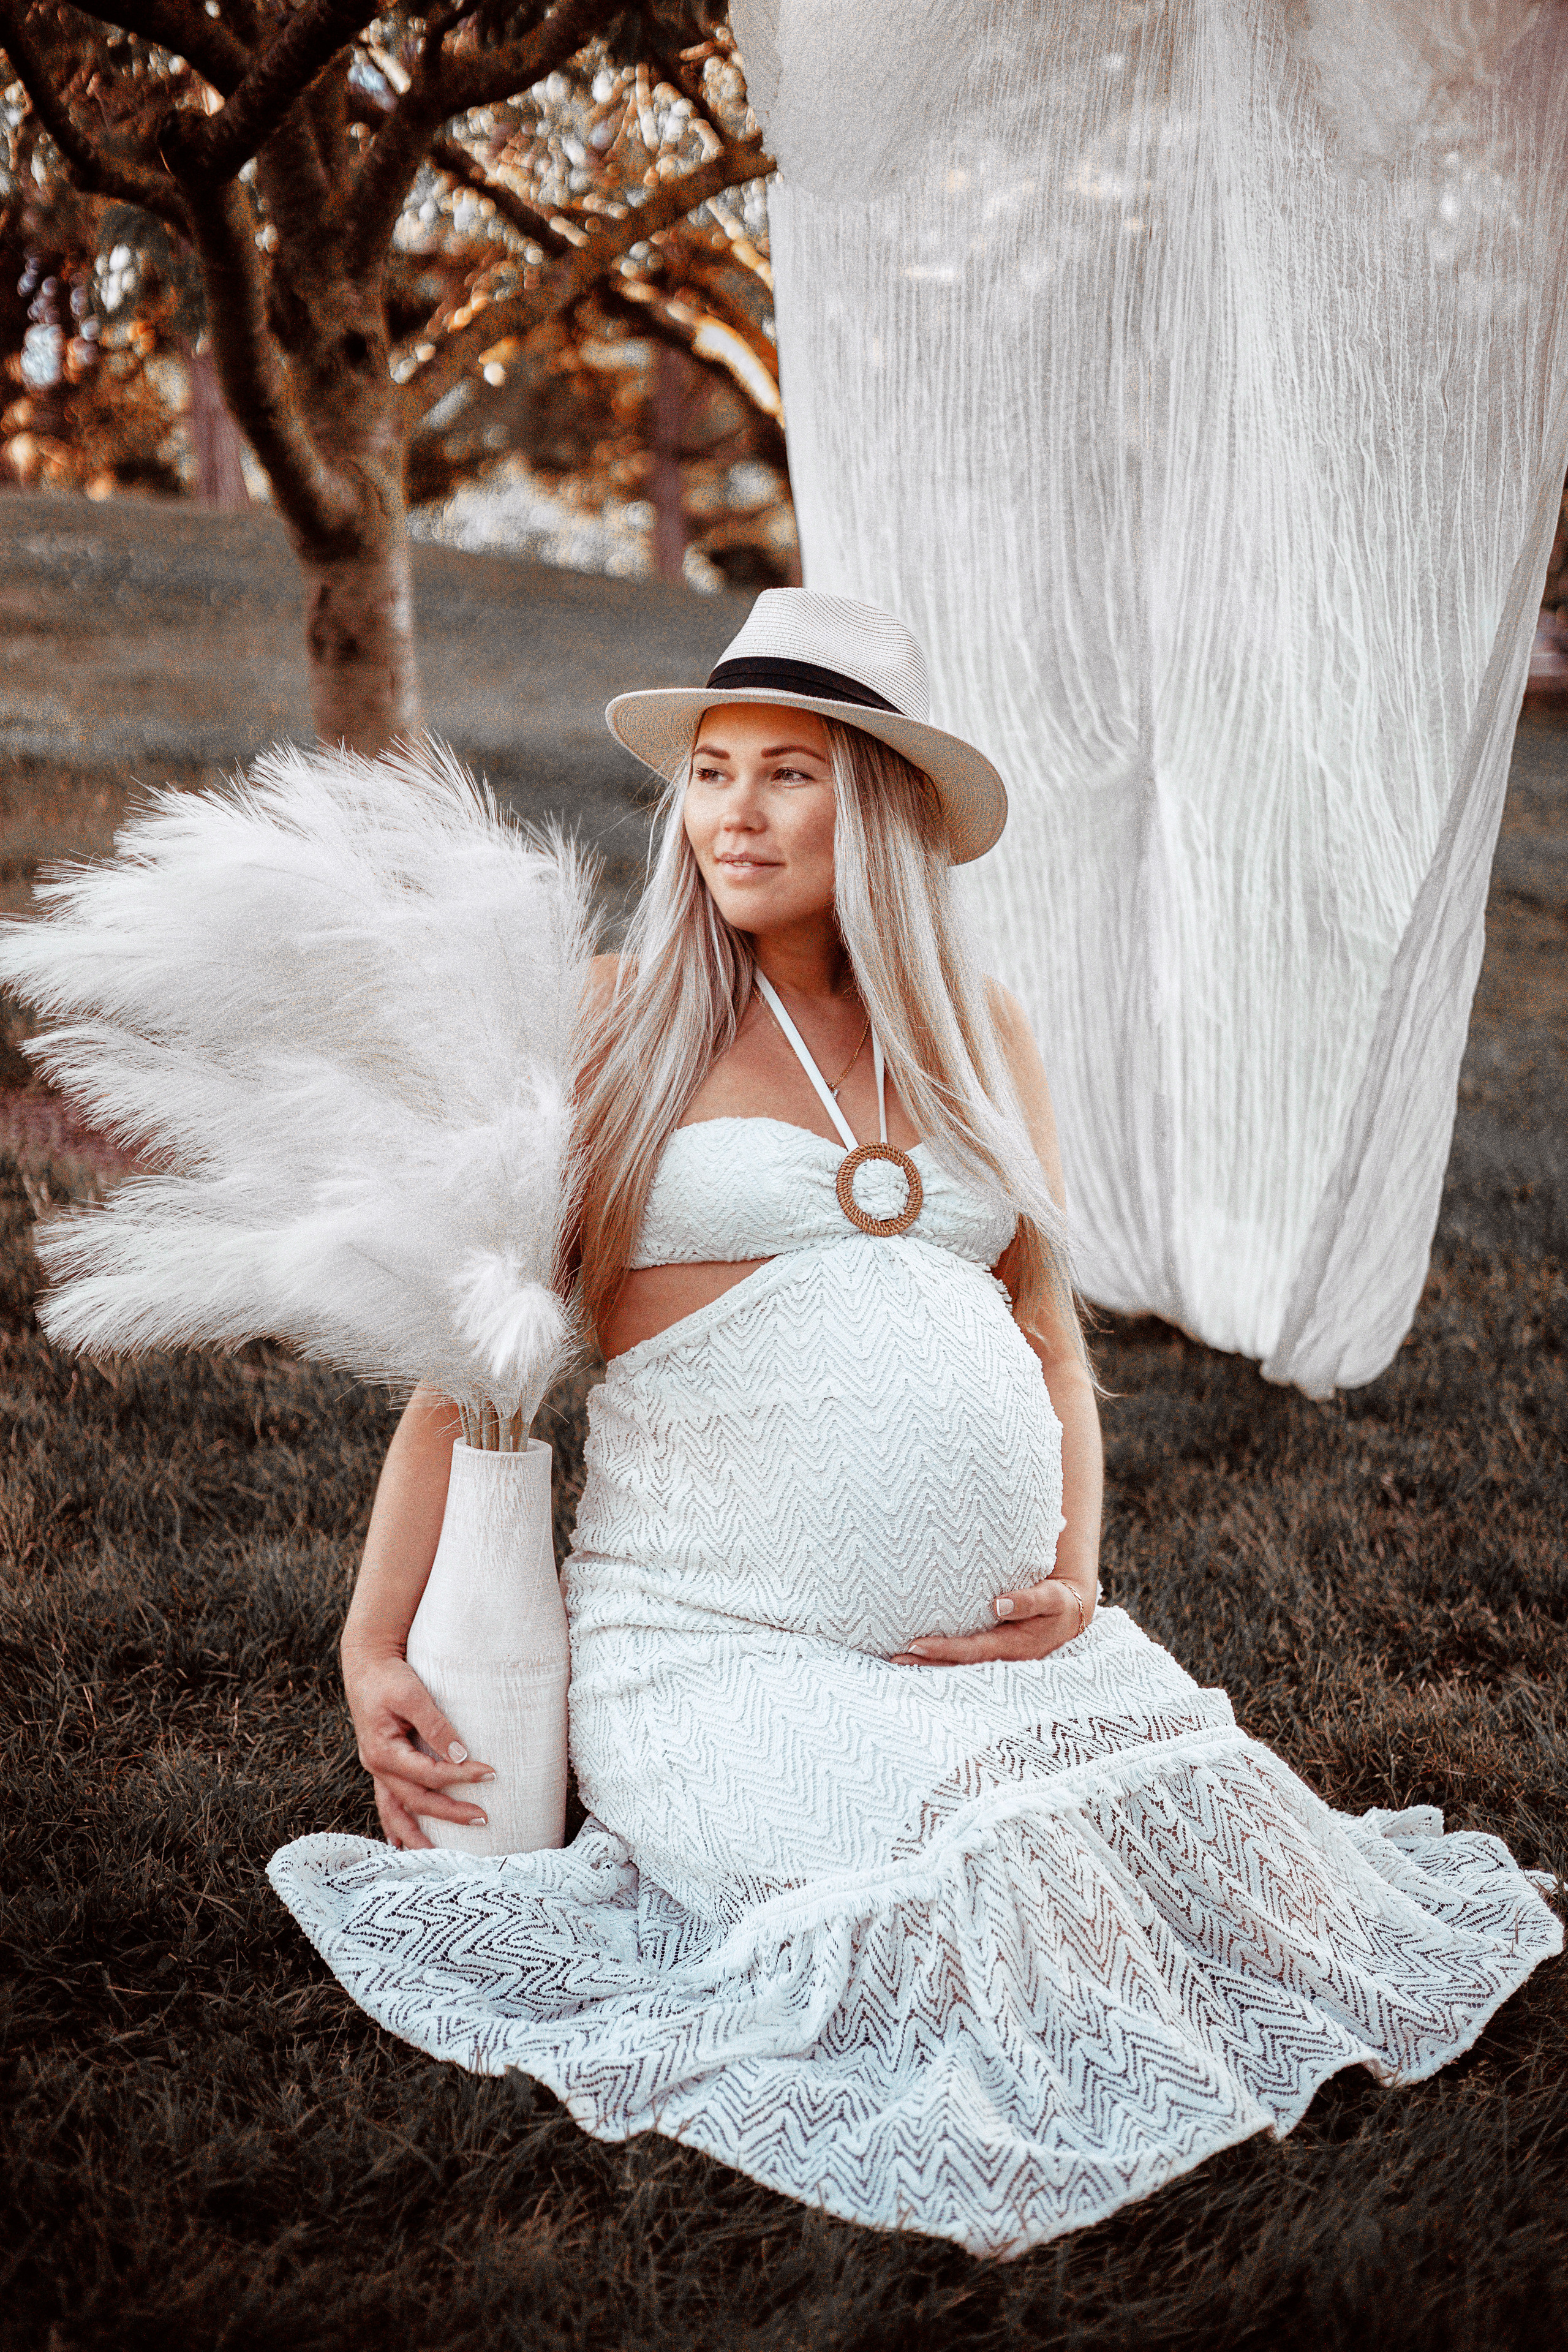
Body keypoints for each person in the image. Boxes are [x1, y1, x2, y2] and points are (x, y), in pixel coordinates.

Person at [270, 592, 1561, 2259]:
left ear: (877, 806)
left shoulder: (973, 1030)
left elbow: (1047, 1332)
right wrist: (372, 1643)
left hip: (988, 1651)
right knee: (1007, 1909)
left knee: (1258, 1879)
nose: (733, 815)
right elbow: (471, 1371)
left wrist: (1076, 1576)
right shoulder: (612, 1020)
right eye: (712, 772)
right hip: (716, 1643)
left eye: (787, 774)